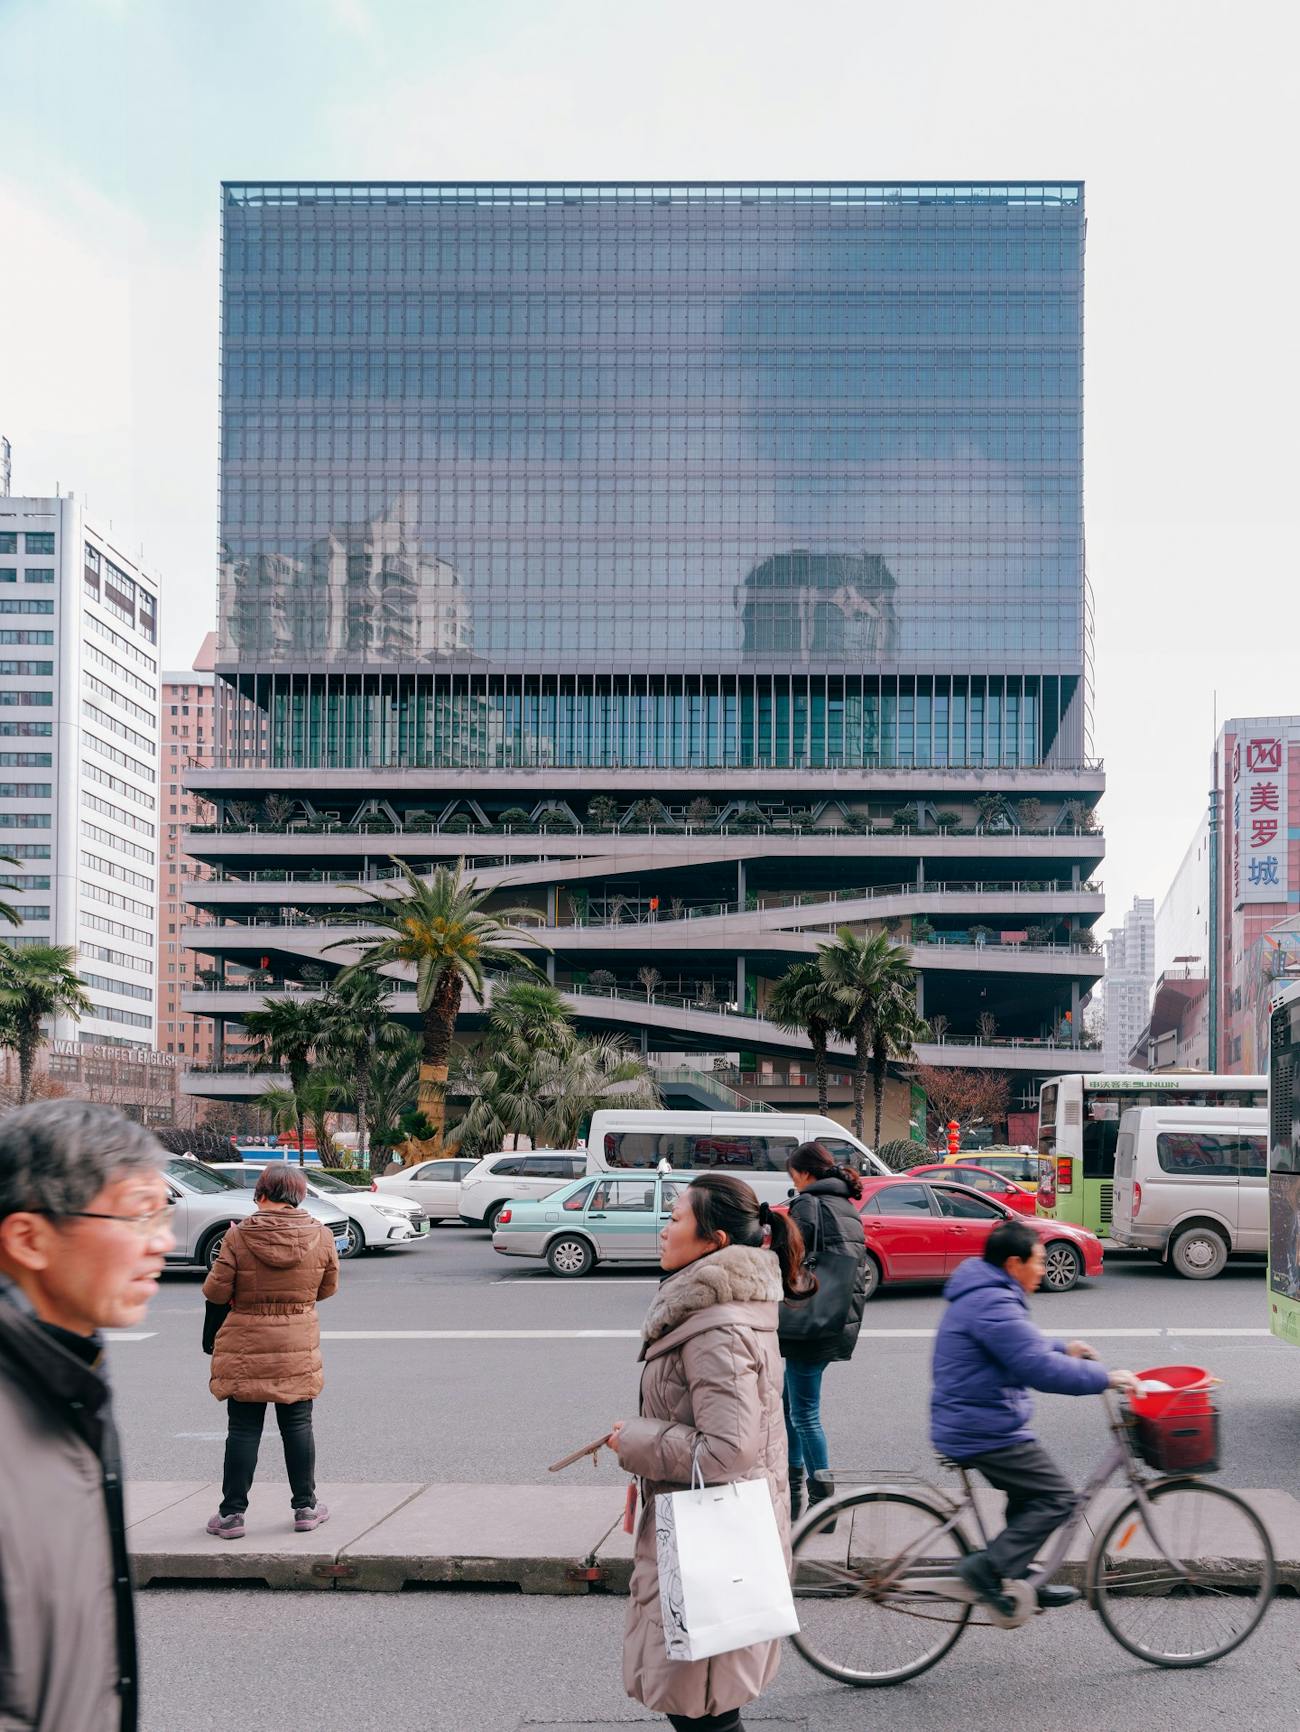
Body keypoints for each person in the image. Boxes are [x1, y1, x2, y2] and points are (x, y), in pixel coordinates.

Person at [608, 1174, 808, 1732]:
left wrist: (637, 1441)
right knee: (706, 1707)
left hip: (713, 1540)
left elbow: (727, 1448)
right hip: (711, 1525)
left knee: (703, 1710)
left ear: (715, 1241)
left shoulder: (716, 1327)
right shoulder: (714, 1307)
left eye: (675, 1218)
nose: (664, 1228)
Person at [0, 1100, 173, 1732]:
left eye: (164, 1212)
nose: (164, 1241)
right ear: (28, 1239)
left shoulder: (67, 1377)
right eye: (137, 1216)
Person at [930, 1219, 1139, 1614]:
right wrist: (1105, 1378)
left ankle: (1016, 1572)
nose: (1043, 1270)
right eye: (1038, 1261)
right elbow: (1035, 1367)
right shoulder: (992, 1301)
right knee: (1058, 1497)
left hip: (980, 1420)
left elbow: (1018, 1344)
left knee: (1030, 1495)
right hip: (979, 1428)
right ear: (1013, 1264)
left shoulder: (987, 1293)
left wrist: (1063, 1348)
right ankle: (989, 1568)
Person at [202, 1161, 339, 1538]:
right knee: (297, 1426)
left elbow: (215, 1291)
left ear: (261, 1194)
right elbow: (327, 1289)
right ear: (298, 1195)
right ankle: (306, 1508)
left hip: (245, 1341)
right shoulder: (321, 1235)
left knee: (243, 1429)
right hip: (297, 1340)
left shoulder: (238, 1236)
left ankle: (231, 1515)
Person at [778, 1141, 868, 1522]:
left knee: (805, 1415)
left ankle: (822, 1505)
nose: (793, 1182)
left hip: (808, 1320)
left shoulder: (807, 1204)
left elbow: (787, 1257)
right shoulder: (845, 1204)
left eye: (793, 1175)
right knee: (792, 1405)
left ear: (803, 1173)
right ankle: (794, 1489)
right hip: (835, 1316)